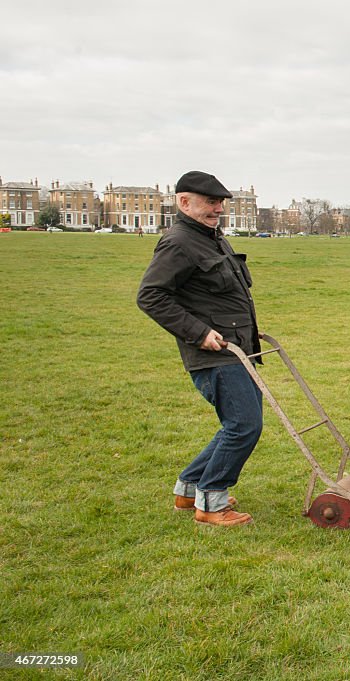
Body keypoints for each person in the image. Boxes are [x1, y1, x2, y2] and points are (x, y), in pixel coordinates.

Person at [137, 170, 262, 527]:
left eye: (220, 202)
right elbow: (150, 295)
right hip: (212, 354)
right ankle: (211, 503)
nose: (218, 208)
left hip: (237, 346)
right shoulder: (178, 242)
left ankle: (189, 488)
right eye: (210, 201)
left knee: (240, 424)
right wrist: (199, 332)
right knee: (243, 426)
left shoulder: (212, 238)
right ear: (184, 202)